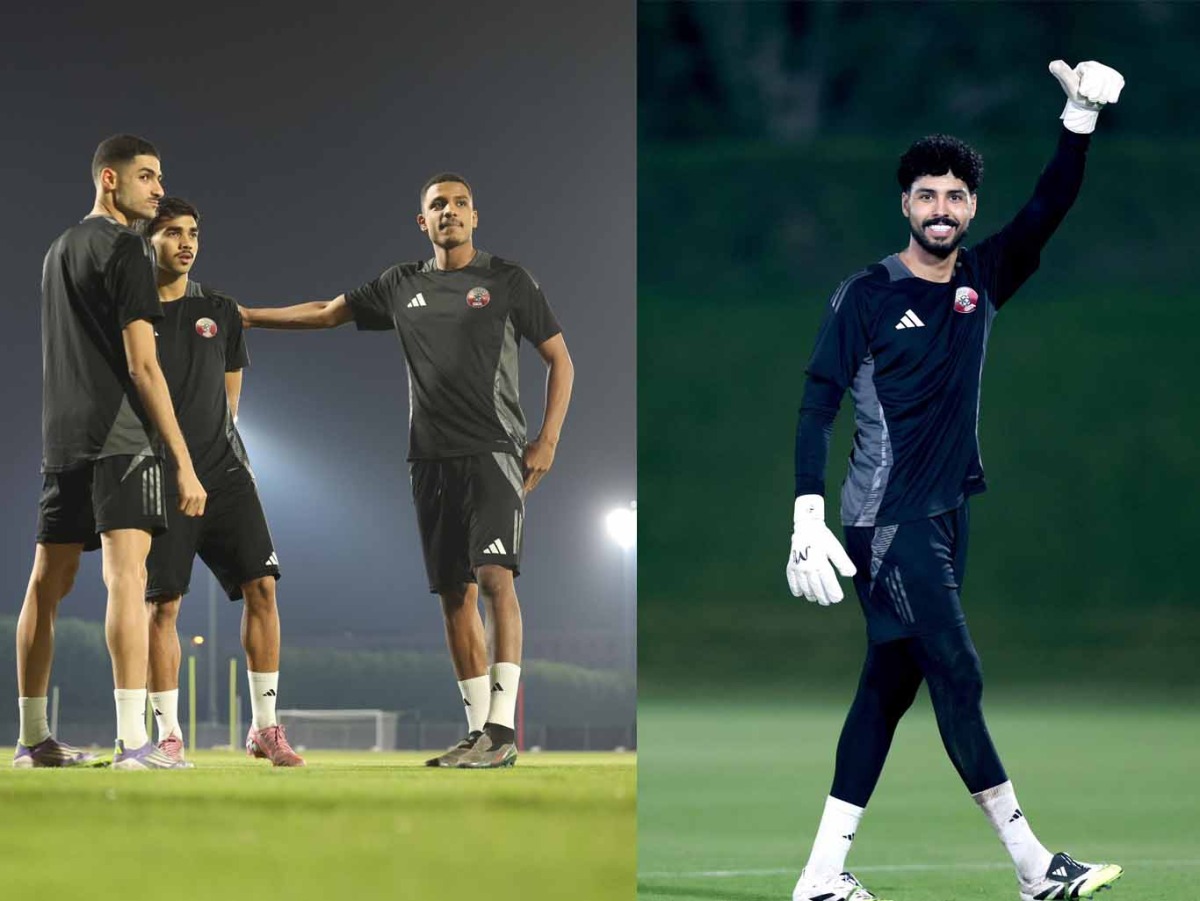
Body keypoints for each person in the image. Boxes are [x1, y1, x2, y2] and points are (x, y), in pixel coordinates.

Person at [785, 61, 1126, 901]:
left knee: (888, 686)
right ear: (905, 205)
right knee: (958, 671)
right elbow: (818, 400)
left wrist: (1077, 119)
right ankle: (1035, 866)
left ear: (970, 207)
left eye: (956, 196)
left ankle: (821, 875)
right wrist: (805, 510)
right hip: (886, 520)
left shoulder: (981, 280)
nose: (942, 207)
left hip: (941, 517)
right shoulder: (865, 294)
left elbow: (1047, 210)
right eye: (927, 194)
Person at [241, 173, 574, 769]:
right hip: (428, 459)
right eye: (438, 205)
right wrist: (247, 317)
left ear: (475, 217)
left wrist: (546, 439)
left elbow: (560, 359)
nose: (450, 211)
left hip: (494, 450)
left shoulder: (507, 281)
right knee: (453, 595)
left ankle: (501, 730)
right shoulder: (401, 284)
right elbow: (326, 312)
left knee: (496, 577)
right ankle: (478, 733)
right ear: (423, 222)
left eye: (461, 203)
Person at [14, 135, 206, 770]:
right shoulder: (127, 248)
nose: (156, 189)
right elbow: (143, 365)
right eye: (147, 177)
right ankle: (132, 742)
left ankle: (32, 738)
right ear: (108, 179)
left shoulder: (57, 249)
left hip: (60, 442)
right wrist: (181, 458)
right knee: (128, 579)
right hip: (121, 440)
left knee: (45, 586)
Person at [142, 197, 301, 767]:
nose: (186, 243)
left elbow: (231, 396)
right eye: (172, 233)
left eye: (192, 234)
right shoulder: (133, 314)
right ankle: (167, 734)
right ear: (149, 241)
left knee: (263, 586)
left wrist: (221, 450)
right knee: (163, 606)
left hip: (225, 472)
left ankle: (265, 727)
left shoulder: (220, 311)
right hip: (161, 472)